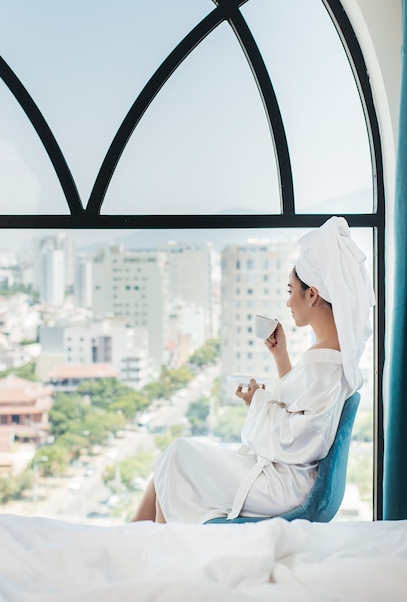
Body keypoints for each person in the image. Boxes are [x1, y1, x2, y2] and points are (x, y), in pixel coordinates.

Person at [130, 216, 375, 523]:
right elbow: (301, 411)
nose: (288, 302)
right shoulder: (327, 356)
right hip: (284, 474)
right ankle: (136, 539)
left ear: (312, 294)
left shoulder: (325, 363)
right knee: (171, 463)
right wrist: (280, 357)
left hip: (283, 486)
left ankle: (145, 542)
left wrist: (258, 401)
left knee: (178, 455)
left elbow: (303, 439)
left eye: (291, 291)